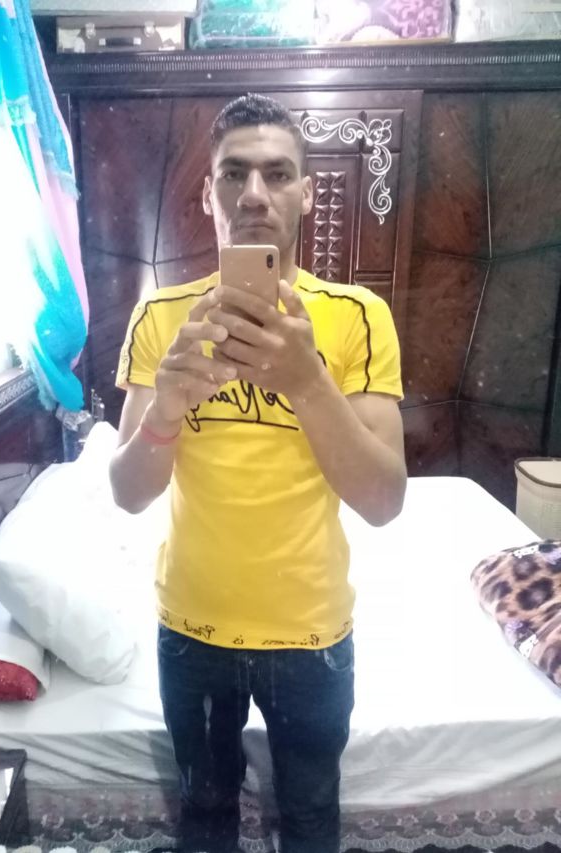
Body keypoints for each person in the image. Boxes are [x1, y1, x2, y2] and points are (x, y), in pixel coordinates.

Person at [110, 93, 406, 853]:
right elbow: (128, 492)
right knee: (205, 819)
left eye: (277, 174)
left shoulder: (357, 315)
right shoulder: (160, 317)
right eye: (233, 174)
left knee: (309, 819)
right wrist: (165, 409)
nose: (253, 193)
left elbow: (383, 500)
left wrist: (307, 381)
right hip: (192, 628)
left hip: (311, 633)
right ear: (207, 194)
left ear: (306, 193)